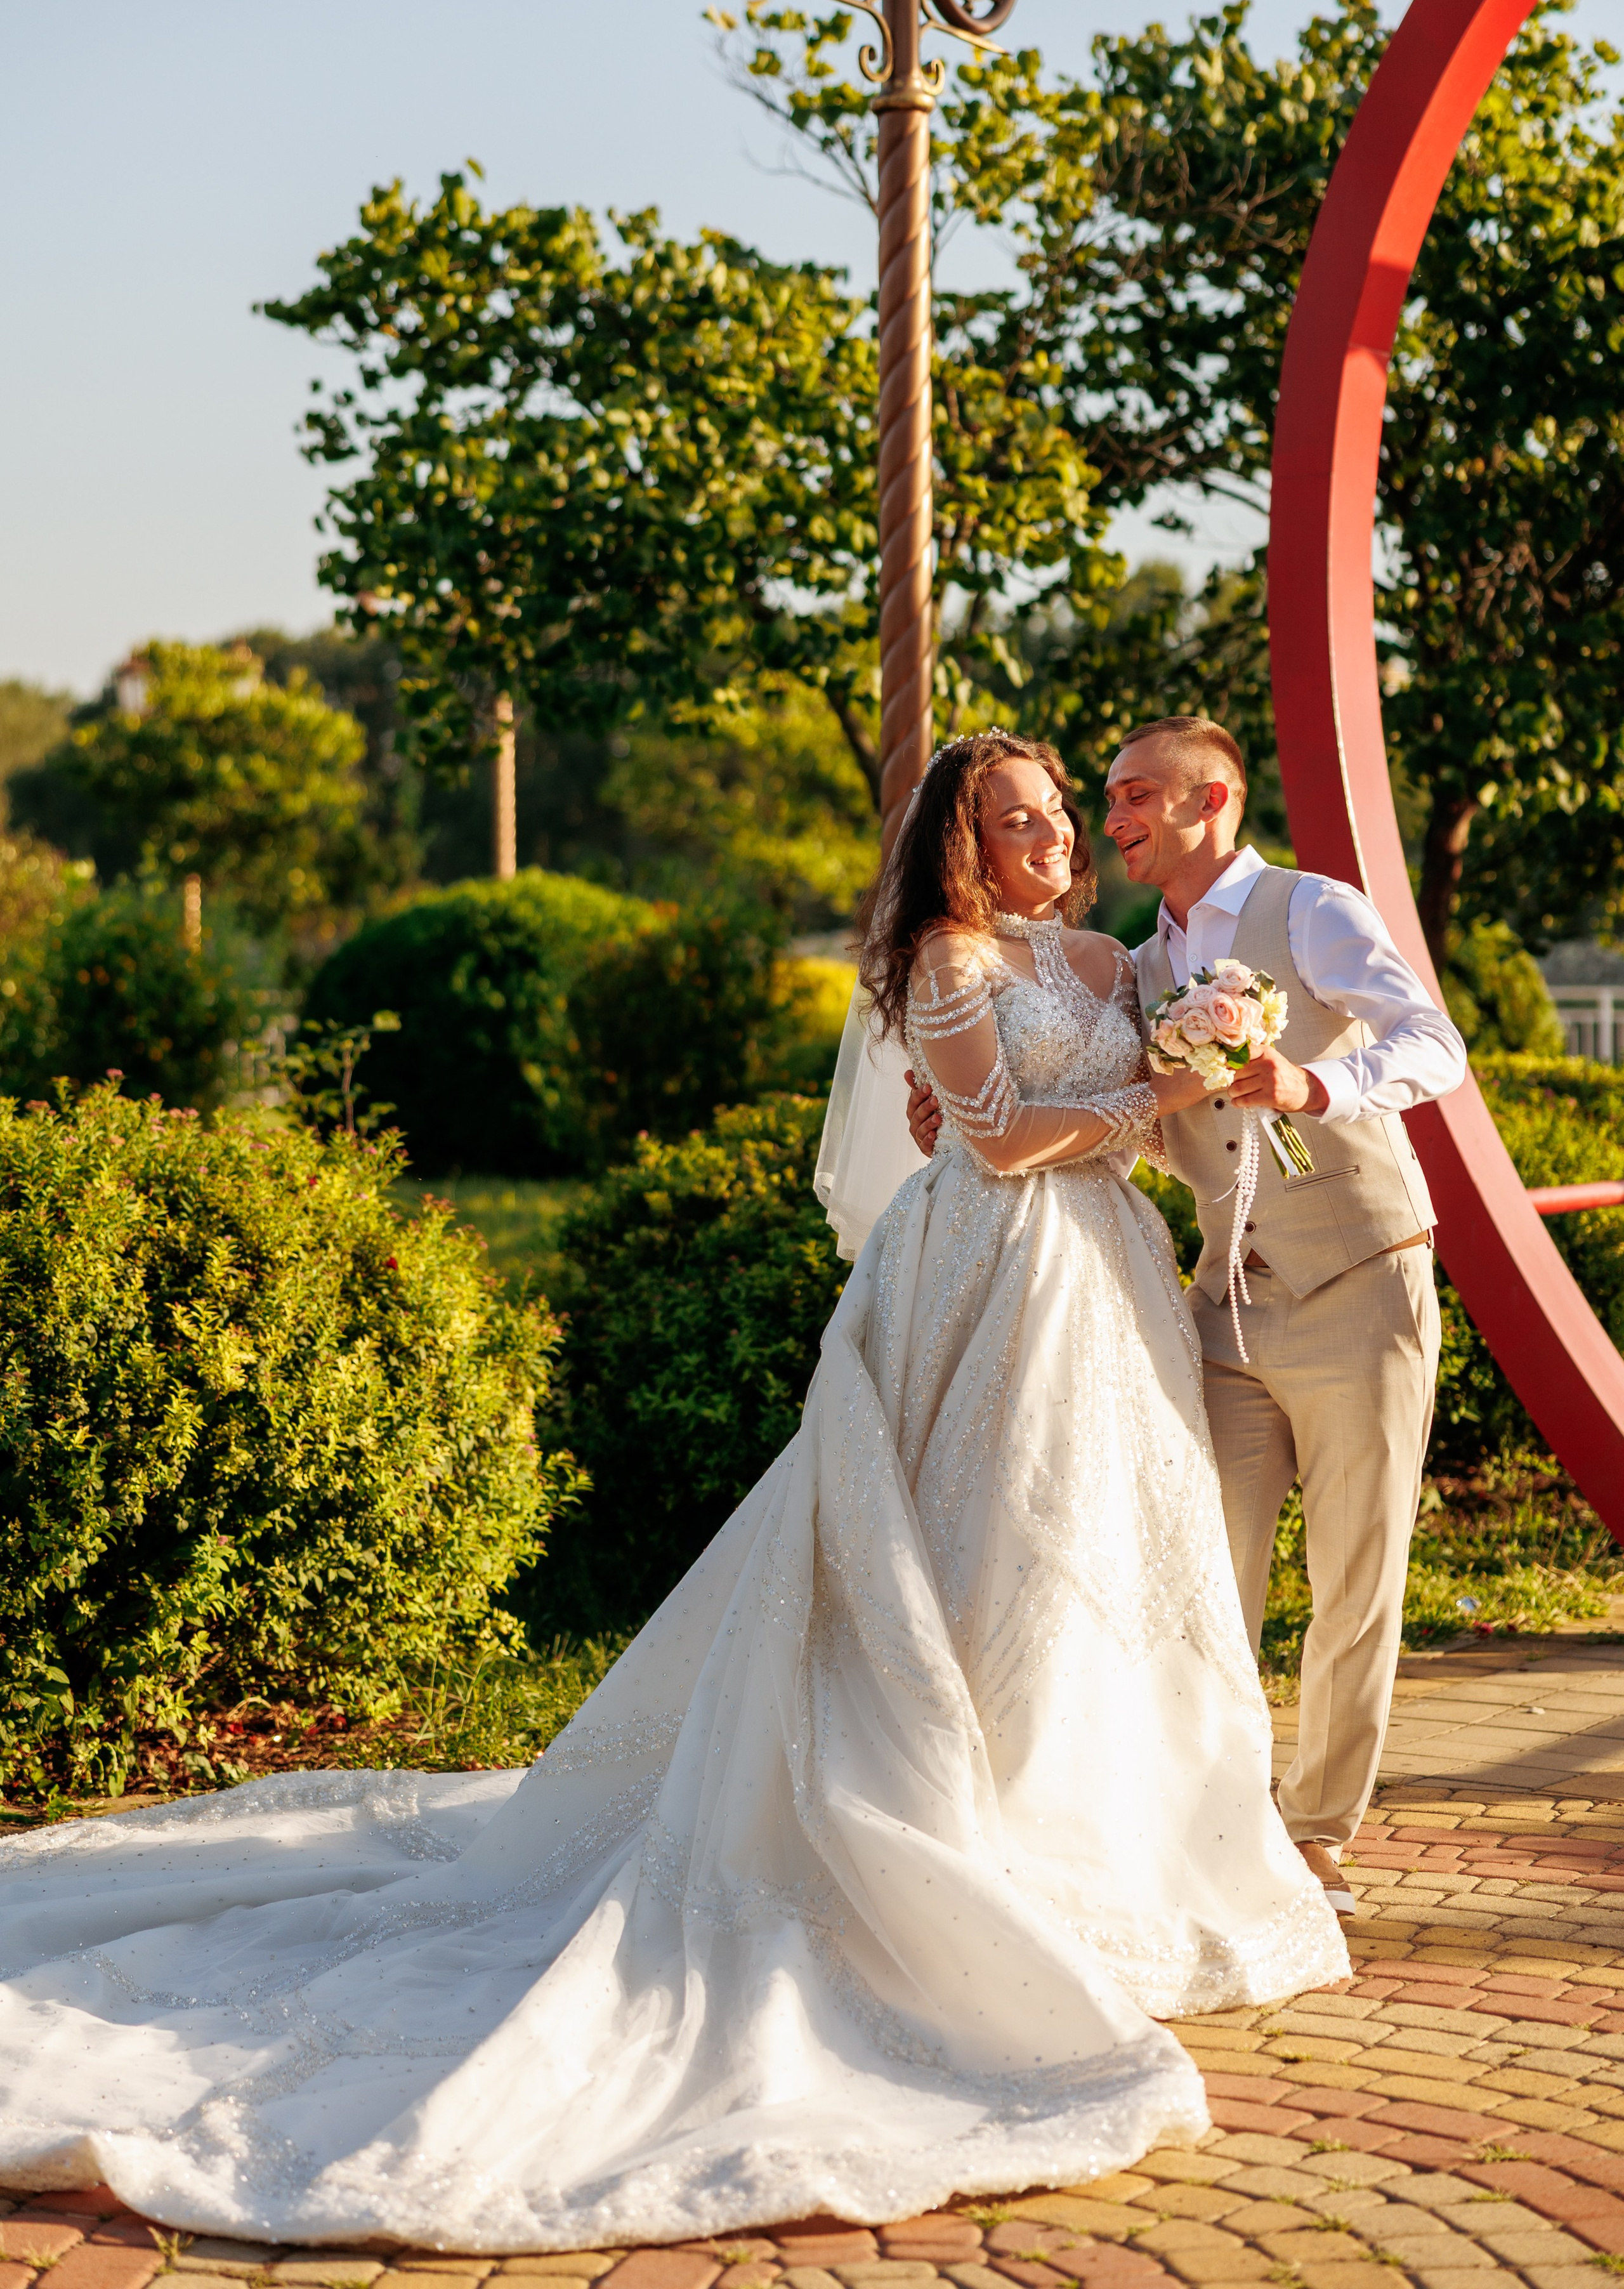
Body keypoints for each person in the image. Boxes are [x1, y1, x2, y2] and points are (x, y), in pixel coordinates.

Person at [0, 731, 1346, 2253]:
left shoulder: (1109, 961)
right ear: (966, 845)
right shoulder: (944, 962)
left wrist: (1190, 1070)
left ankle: (1131, 1842)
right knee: (991, 1559)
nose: (1059, 841)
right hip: (986, 1291)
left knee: (1110, 1562)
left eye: (1061, 818)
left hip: (1110, 1290)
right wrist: (1137, 1114)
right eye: (1026, 822)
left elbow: (1128, 1121)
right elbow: (991, 1140)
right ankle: (980, 1846)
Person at [908, 718, 1467, 1916]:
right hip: (1219, 1302)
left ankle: (1314, 1834)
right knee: (1202, 1577)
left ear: (1210, 800)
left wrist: (1323, 1084)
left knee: (1356, 1580)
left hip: (1363, 1276)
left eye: (1129, 796)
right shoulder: (1131, 963)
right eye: (1095, 799)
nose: (1102, 820)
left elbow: (1435, 1043)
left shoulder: (1312, 910)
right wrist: (957, 1104)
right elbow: (1150, 1122)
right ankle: (1210, 1824)